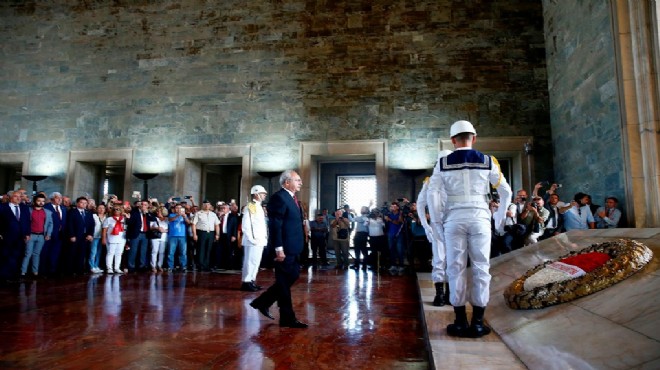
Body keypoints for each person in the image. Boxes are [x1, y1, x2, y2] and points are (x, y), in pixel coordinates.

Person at [428, 120, 512, 338]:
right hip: (480, 218)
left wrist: (436, 222)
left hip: (453, 219)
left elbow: (433, 194)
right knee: (481, 267)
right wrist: (499, 219)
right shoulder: (488, 160)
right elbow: (506, 192)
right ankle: (477, 323)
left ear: (453, 140)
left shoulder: (443, 163)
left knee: (455, 268)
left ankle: (459, 322)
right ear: (474, 138)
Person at [249, 170, 308, 328]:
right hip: (284, 248)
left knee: (290, 277)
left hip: (294, 247)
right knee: (283, 281)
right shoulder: (279, 197)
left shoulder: (293, 198)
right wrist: (278, 248)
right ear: (287, 182)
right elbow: (276, 225)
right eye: (297, 180)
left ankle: (263, 302)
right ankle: (287, 318)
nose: (300, 183)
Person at [419, 149, 452, 306]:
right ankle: (439, 293)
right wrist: (426, 226)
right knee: (439, 259)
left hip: (454, 223)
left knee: (455, 260)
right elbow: (420, 204)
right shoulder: (430, 181)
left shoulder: (456, 179)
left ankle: (451, 293)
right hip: (437, 224)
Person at [239, 185, 268, 291]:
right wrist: (252, 238)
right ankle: (246, 282)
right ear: (256, 194)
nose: (265, 195)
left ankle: (251, 280)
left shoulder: (259, 206)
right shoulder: (251, 206)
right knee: (250, 261)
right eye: (263, 193)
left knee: (255, 262)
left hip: (259, 240)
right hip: (253, 240)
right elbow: (247, 223)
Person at [20, 194, 53, 277]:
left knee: (37, 254)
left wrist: (48, 234)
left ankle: (35, 271)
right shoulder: (29, 210)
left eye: (43, 201)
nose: (41, 203)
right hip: (31, 235)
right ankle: (23, 272)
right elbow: (24, 222)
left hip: (41, 236)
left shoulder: (48, 212)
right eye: (39, 201)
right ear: (35, 201)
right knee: (28, 254)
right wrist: (26, 234)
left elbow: (50, 224)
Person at [66, 197, 95, 275]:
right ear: (77, 203)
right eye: (82, 202)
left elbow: (92, 225)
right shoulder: (72, 212)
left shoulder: (88, 213)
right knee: (72, 254)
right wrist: (71, 235)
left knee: (81, 254)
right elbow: (69, 224)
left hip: (85, 237)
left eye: (85, 203)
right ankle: (70, 271)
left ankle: (79, 270)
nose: (84, 204)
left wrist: (90, 234)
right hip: (75, 236)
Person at [42, 192, 67, 276]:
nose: (60, 199)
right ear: (52, 199)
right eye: (57, 198)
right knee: (46, 252)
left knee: (56, 253)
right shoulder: (46, 207)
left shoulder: (63, 208)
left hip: (60, 235)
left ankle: (53, 270)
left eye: (60, 197)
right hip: (49, 234)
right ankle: (45, 271)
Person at [191, 200, 220, 272]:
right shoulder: (198, 213)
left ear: (210, 205)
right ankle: (200, 265)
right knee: (201, 249)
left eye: (208, 204)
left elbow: (217, 225)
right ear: (202, 205)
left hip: (211, 233)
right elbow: (193, 224)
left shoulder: (213, 214)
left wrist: (217, 234)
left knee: (209, 249)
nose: (207, 206)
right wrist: (194, 234)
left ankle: (206, 265)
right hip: (201, 232)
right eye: (205, 204)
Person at [125, 200, 151, 273]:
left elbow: (153, 219)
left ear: (148, 206)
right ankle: (131, 267)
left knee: (143, 251)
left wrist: (147, 213)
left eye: (145, 205)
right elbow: (129, 222)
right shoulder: (134, 212)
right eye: (142, 204)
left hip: (145, 234)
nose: (143, 206)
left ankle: (141, 266)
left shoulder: (149, 214)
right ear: (140, 205)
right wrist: (128, 218)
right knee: (133, 250)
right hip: (136, 233)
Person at [102, 204, 127, 274]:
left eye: (118, 209)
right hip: (111, 238)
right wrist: (103, 239)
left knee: (119, 253)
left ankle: (117, 268)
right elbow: (104, 230)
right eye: (115, 209)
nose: (116, 210)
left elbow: (126, 228)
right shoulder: (109, 219)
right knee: (110, 253)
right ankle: (109, 268)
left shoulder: (124, 219)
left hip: (121, 239)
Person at [167, 204, 190, 272]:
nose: (179, 209)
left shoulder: (185, 215)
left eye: (180, 208)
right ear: (175, 209)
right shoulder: (171, 215)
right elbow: (170, 220)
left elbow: (189, 223)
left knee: (183, 252)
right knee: (171, 252)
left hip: (182, 236)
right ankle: (170, 267)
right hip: (172, 236)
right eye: (177, 208)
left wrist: (185, 217)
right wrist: (178, 215)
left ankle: (183, 266)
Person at [385, 201, 406, 275]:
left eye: (394, 206)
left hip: (398, 234)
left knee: (400, 250)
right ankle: (393, 265)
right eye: (391, 206)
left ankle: (401, 265)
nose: (392, 207)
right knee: (391, 250)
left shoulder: (400, 214)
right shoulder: (389, 214)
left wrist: (390, 219)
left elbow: (398, 222)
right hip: (390, 234)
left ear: (397, 207)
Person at [149, 206, 169, 272]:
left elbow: (169, 228)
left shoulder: (167, 219)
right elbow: (150, 227)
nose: (158, 212)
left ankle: (160, 265)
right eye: (157, 211)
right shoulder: (154, 218)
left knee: (162, 252)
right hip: (155, 236)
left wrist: (164, 230)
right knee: (154, 251)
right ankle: (153, 266)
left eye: (159, 211)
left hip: (164, 237)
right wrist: (157, 228)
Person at [351, 206, 370, 270]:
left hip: (363, 234)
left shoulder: (367, 216)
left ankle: (364, 265)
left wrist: (355, 214)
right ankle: (357, 264)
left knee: (363, 250)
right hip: (358, 234)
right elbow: (353, 219)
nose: (361, 210)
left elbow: (358, 219)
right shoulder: (361, 216)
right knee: (357, 250)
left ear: (367, 210)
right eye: (361, 208)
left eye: (363, 209)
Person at [89, 203, 107, 273]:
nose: (101, 209)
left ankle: (96, 266)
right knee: (93, 252)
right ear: (96, 209)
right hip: (94, 236)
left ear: (105, 210)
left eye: (103, 208)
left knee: (99, 252)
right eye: (99, 208)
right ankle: (91, 266)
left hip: (102, 237)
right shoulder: (93, 216)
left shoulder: (107, 217)